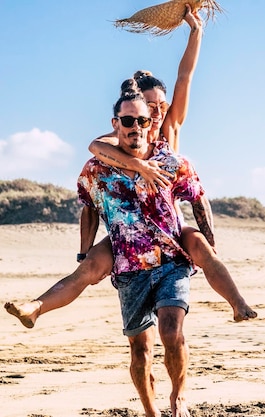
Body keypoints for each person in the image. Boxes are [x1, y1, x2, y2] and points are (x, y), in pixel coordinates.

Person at [4, 5, 256, 328]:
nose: (157, 112)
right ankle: (36, 307)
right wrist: (139, 167)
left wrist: (196, 32)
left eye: (160, 106)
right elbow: (96, 149)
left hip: (168, 228)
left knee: (204, 250)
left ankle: (237, 303)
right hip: (128, 231)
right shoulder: (125, 132)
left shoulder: (169, 131)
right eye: (149, 106)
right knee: (90, 270)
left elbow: (185, 76)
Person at [79, 88, 206, 417]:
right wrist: (83, 253)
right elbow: (94, 158)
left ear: (155, 116)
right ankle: (151, 412)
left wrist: (195, 34)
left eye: (146, 115)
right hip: (130, 259)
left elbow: (185, 77)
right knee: (140, 349)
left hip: (168, 248)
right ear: (117, 121)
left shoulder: (168, 138)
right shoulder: (104, 156)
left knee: (171, 330)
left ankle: (179, 396)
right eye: (129, 119)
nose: (137, 123)